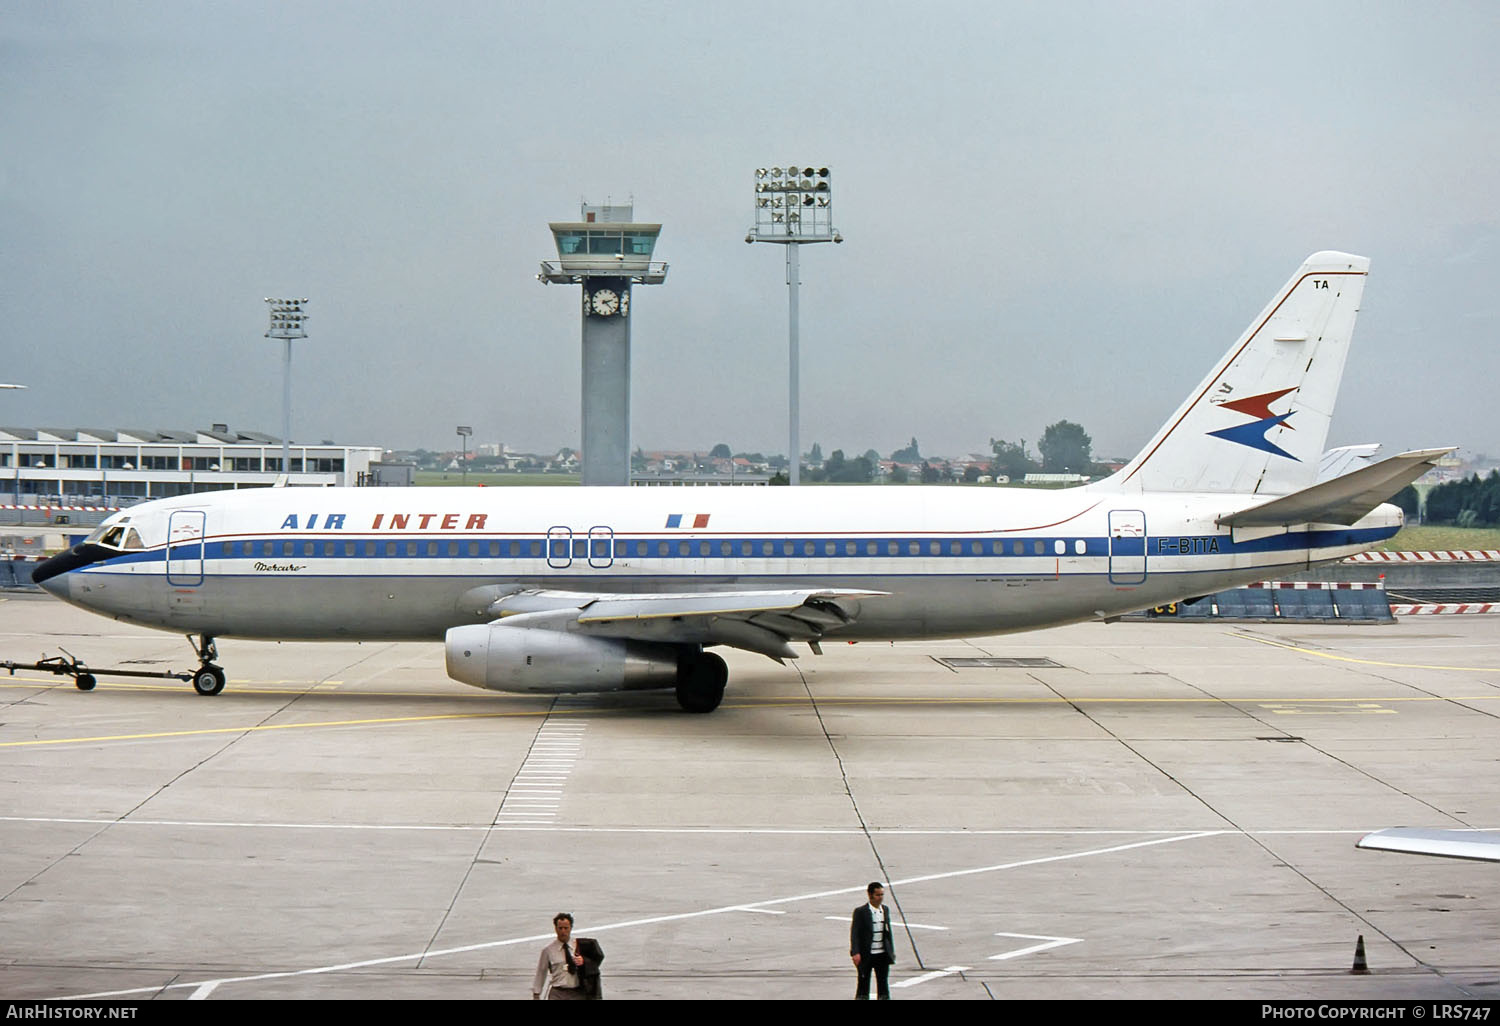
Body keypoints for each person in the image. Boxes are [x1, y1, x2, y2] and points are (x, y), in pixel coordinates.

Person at [850, 881, 897, 999]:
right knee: (863, 982)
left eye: (882, 895)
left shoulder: (885, 910)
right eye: (878, 895)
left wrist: (891, 950)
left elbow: (887, 932)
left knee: (883, 982)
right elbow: (855, 933)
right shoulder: (861, 911)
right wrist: (855, 952)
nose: (880, 898)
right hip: (867, 954)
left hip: (882, 954)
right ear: (870, 895)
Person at [533, 912, 586, 1000]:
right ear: (556, 928)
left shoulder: (579, 946)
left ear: (571, 928)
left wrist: (584, 961)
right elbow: (541, 973)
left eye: (566, 928)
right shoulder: (548, 950)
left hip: (577, 992)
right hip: (558, 993)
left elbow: (594, 964)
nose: (563, 931)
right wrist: (536, 994)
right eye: (560, 928)